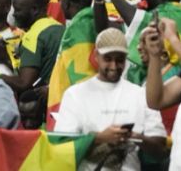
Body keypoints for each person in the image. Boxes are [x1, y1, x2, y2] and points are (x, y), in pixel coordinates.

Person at [55, 27, 167, 171]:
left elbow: (160, 149)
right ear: (96, 56)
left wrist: (134, 137)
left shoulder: (141, 94)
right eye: (108, 59)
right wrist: (100, 138)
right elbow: (63, 146)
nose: (114, 66)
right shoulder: (75, 94)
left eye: (119, 60)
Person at [1, 0, 63, 92]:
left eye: (18, 10)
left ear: (34, 9)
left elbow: (24, 83)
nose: (14, 15)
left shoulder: (33, 36)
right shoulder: (60, 27)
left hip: (46, 102)